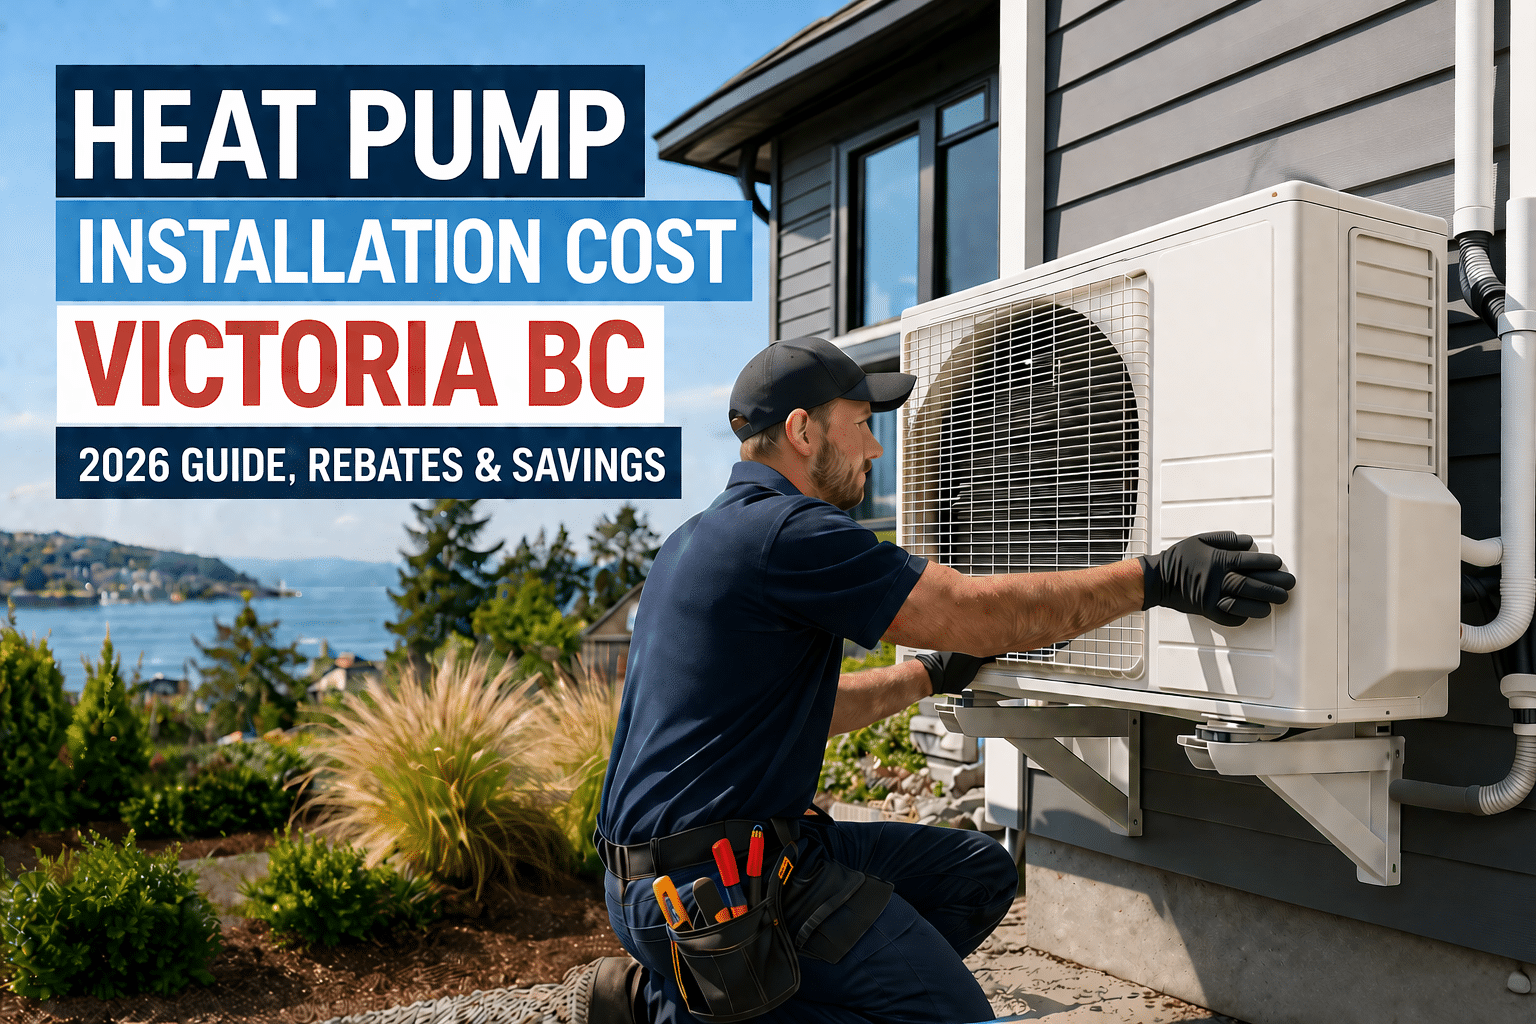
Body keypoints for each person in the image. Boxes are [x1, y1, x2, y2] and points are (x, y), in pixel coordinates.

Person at [567, 337, 1295, 1024]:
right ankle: (670, 1010)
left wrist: (925, 676)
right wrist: (1154, 578)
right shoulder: (789, 534)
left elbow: (806, 712)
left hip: (675, 876)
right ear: (803, 431)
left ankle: (706, 998)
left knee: (976, 876)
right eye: (861, 424)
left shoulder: (696, 540)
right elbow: (968, 613)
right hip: (711, 891)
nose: (875, 447)